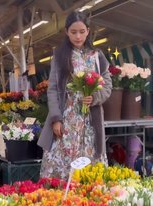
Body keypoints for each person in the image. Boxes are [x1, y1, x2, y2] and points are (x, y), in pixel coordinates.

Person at [37, 11, 112, 179]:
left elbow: (107, 84)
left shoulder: (97, 56)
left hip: (91, 119)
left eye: (82, 31)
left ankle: (89, 198)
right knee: (62, 158)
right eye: (73, 32)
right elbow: (53, 89)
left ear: (88, 31)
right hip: (67, 117)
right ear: (66, 32)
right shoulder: (60, 55)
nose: (78, 36)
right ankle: (61, 196)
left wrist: (95, 98)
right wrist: (56, 118)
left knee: (91, 156)